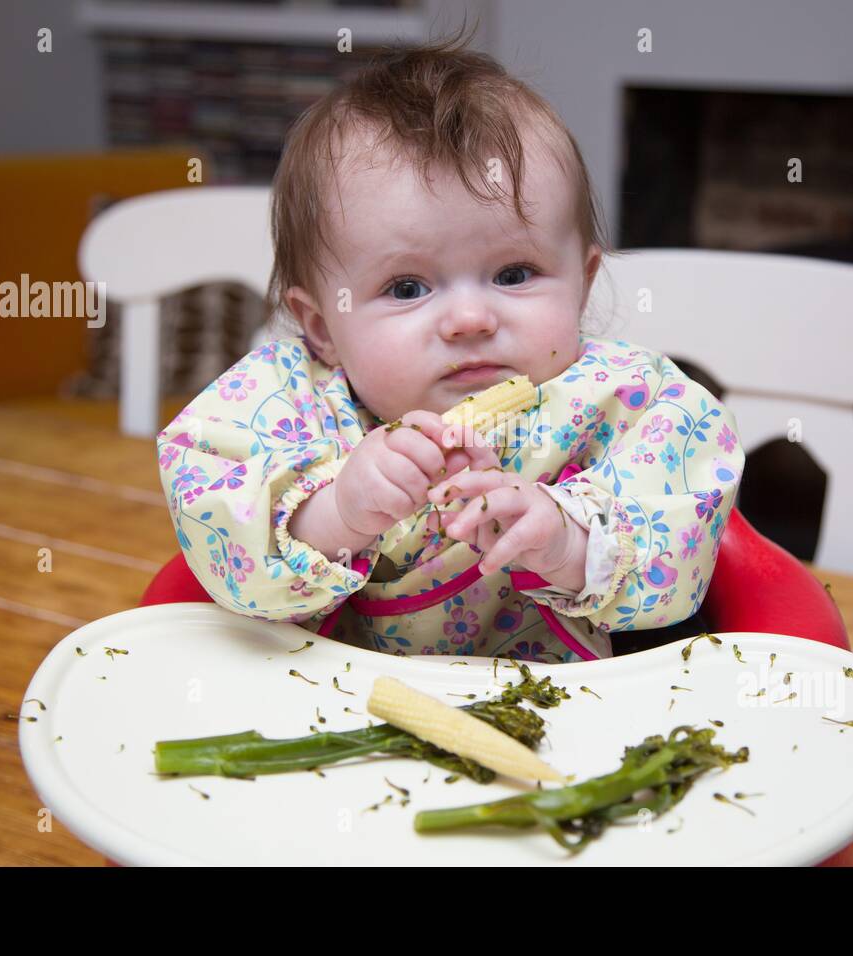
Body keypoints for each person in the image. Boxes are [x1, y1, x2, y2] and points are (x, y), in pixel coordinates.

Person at [155, 31, 744, 663]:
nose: (470, 319)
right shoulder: (286, 402)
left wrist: (567, 544)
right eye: (407, 287)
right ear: (322, 326)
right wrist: (337, 512)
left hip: (578, 703)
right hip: (336, 699)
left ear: (583, 284)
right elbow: (222, 535)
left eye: (514, 274)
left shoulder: (630, 404)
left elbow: (680, 559)